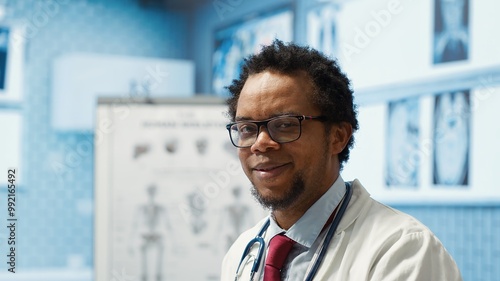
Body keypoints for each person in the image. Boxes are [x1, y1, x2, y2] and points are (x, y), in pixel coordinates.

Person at [220, 40, 462, 280]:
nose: (260, 143)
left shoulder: (402, 251)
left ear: (338, 136)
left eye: (285, 125)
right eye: (247, 128)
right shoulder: (242, 253)